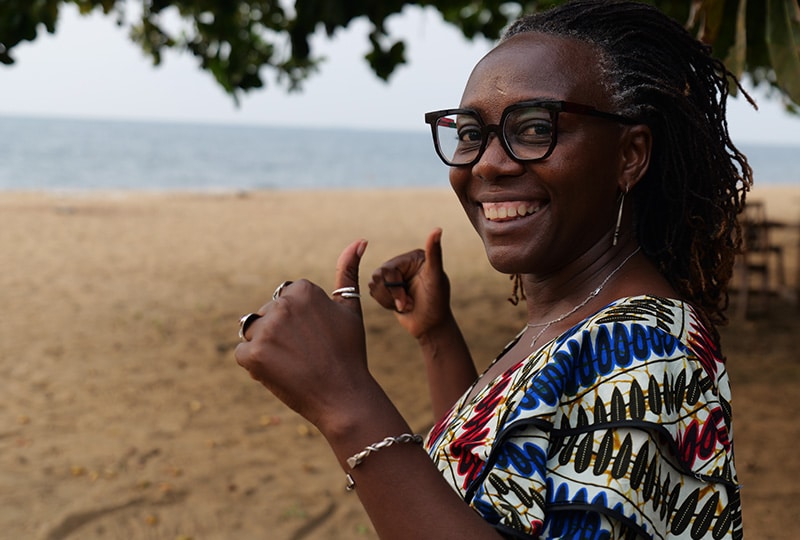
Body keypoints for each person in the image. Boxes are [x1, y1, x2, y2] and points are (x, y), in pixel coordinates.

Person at [235, 1, 751, 538]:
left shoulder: (644, 351)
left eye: (533, 128)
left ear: (629, 155)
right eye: (470, 132)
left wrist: (345, 402)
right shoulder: (577, 322)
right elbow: (487, 484)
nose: (487, 162)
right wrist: (436, 336)